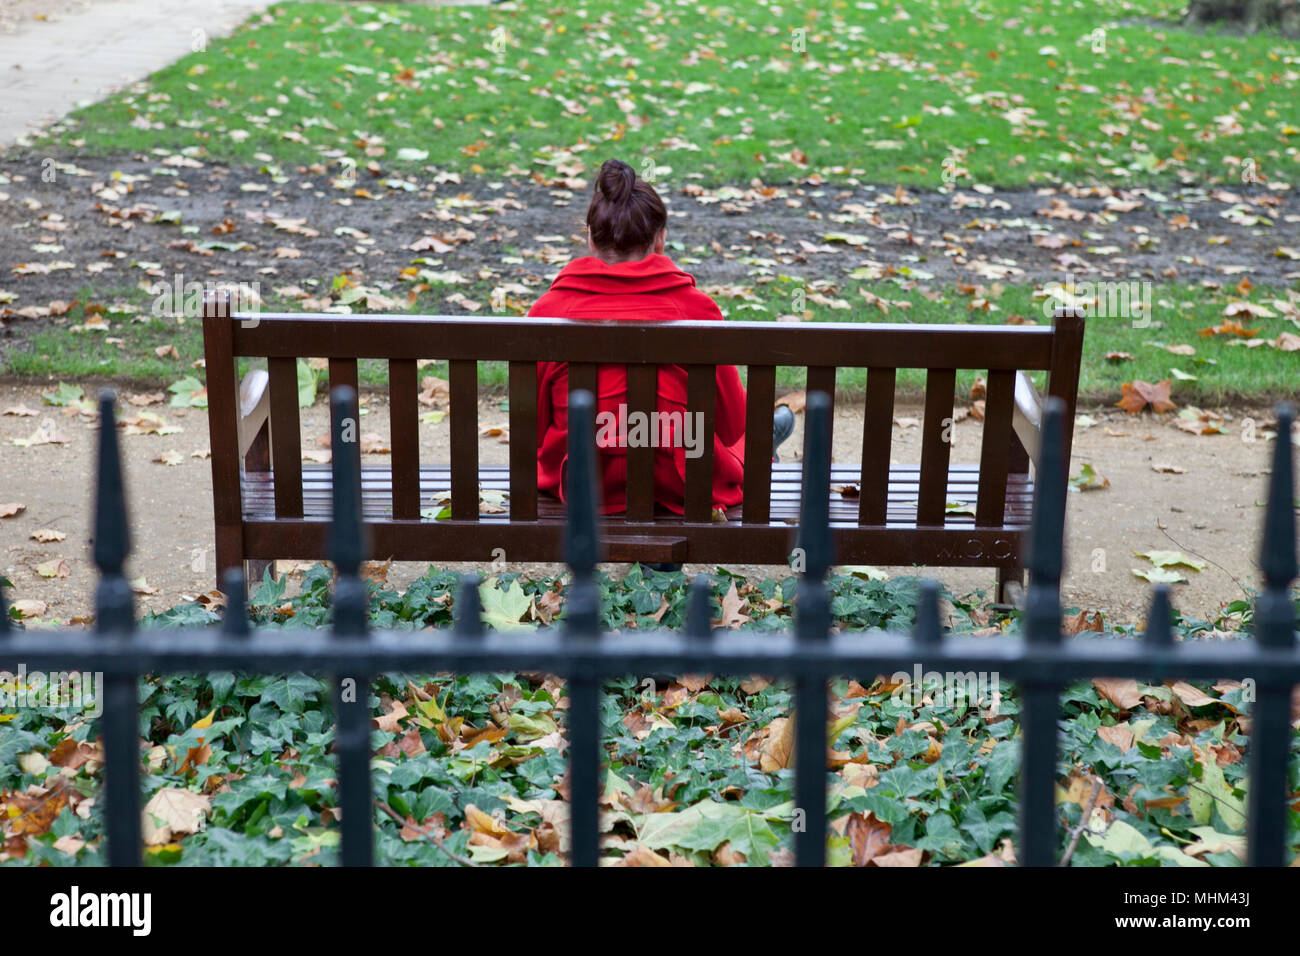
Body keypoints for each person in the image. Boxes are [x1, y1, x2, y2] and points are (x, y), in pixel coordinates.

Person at [529, 158, 795, 529]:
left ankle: (765, 438)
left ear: (589, 237)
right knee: (740, 436)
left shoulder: (549, 311)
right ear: (660, 237)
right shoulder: (696, 308)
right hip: (684, 483)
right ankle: (766, 440)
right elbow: (732, 421)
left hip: (583, 483)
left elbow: (534, 426)